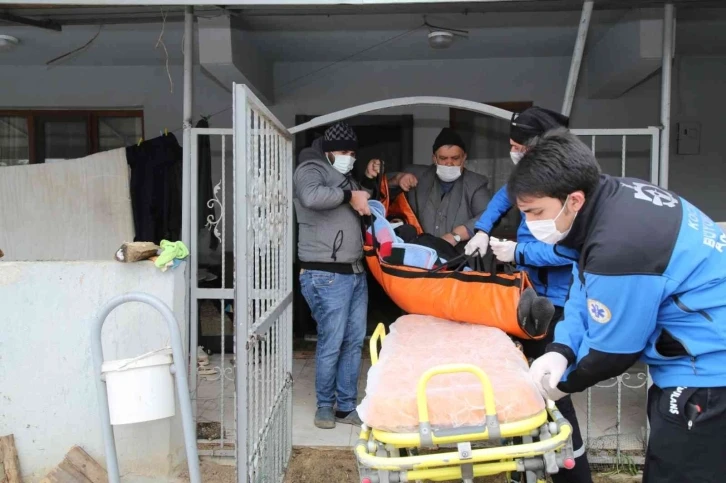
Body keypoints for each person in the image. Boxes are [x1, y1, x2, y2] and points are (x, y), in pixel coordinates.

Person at [509, 128, 726, 483]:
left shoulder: (619, 247)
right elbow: (583, 283)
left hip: (709, 372)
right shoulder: (608, 199)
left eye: (536, 213)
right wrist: (562, 348)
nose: (532, 225)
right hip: (691, 355)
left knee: (679, 472)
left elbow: (614, 351)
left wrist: (564, 384)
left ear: (573, 200)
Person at [464, 107, 592, 483]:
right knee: (523, 387)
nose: (514, 152)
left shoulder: (566, 188)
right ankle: (523, 468)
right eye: (511, 145)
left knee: (553, 395)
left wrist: (518, 252)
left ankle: (572, 471)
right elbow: (504, 197)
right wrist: (482, 229)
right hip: (531, 295)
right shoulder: (533, 179)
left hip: (558, 303)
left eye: (520, 146)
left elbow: (565, 251)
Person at [293, 121, 380, 429]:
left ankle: (345, 406)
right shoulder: (310, 168)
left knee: (353, 341)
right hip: (325, 274)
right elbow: (311, 197)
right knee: (332, 342)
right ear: (329, 152)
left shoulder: (344, 176)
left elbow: (356, 199)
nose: (349, 157)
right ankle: (324, 406)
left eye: (352, 153)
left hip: (354, 272)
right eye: (343, 152)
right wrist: (349, 196)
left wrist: (366, 183)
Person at [382, 128, 491, 249]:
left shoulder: (476, 183)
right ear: (434, 158)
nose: (449, 163)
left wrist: (456, 236)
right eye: (443, 158)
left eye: (455, 158)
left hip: (458, 256)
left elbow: (488, 215)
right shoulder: (415, 174)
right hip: (418, 254)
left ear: (464, 158)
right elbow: (380, 192)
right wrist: (397, 179)